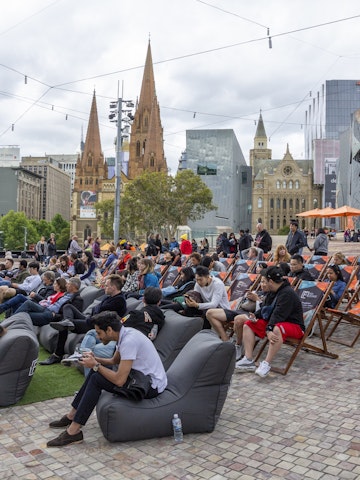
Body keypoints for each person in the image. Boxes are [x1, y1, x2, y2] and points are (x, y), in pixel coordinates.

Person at [46, 310, 167, 447]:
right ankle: (72, 415)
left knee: (96, 377)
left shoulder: (129, 341)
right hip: (139, 378)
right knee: (95, 372)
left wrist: (96, 365)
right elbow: (113, 361)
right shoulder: (124, 334)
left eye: (99, 333)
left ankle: (73, 432)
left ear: (109, 330)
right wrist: (93, 359)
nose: (98, 336)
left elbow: (119, 381)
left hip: (149, 386)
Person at [41, 274, 127, 365]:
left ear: (113, 287)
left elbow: (101, 313)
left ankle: (57, 355)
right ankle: (67, 321)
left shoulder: (119, 300)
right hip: (91, 319)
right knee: (68, 307)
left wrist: (97, 310)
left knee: (64, 326)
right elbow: (96, 310)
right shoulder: (109, 297)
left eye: (106, 285)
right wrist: (97, 310)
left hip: (96, 325)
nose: (104, 287)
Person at [235, 266, 305, 377]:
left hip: (295, 326)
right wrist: (255, 316)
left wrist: (269, 329)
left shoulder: (287, 294)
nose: (263, 284)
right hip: (276, 322)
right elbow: (265, 307)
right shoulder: (273, 291)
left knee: (277, 328)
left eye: (264, 281)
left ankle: (266, 363)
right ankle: (248, 359)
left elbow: (279, 314)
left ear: (271, 281)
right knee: (248, 324)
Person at [207, 286, 266, 361]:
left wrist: (257, 300)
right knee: (210, 313)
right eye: (262, 281)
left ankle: (238, 345)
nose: (263, 284)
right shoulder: (259, 292)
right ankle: (226, 340)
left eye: (264, 282)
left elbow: (263, 313)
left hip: (252, 315)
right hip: (239, 311)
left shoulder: (272, 295)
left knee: (238, 319)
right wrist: (247, 296)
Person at [15, 277, 83, 327]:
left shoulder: (77, 299)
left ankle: (11, 322)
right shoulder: (66, 294)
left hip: (51, 315)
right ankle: (11, 321)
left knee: (25, 314)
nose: (66, 285)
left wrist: (56, 315)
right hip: (46, 309)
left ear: (73, 286)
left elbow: (70, 315)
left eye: (68, 284)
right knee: (26, 304)